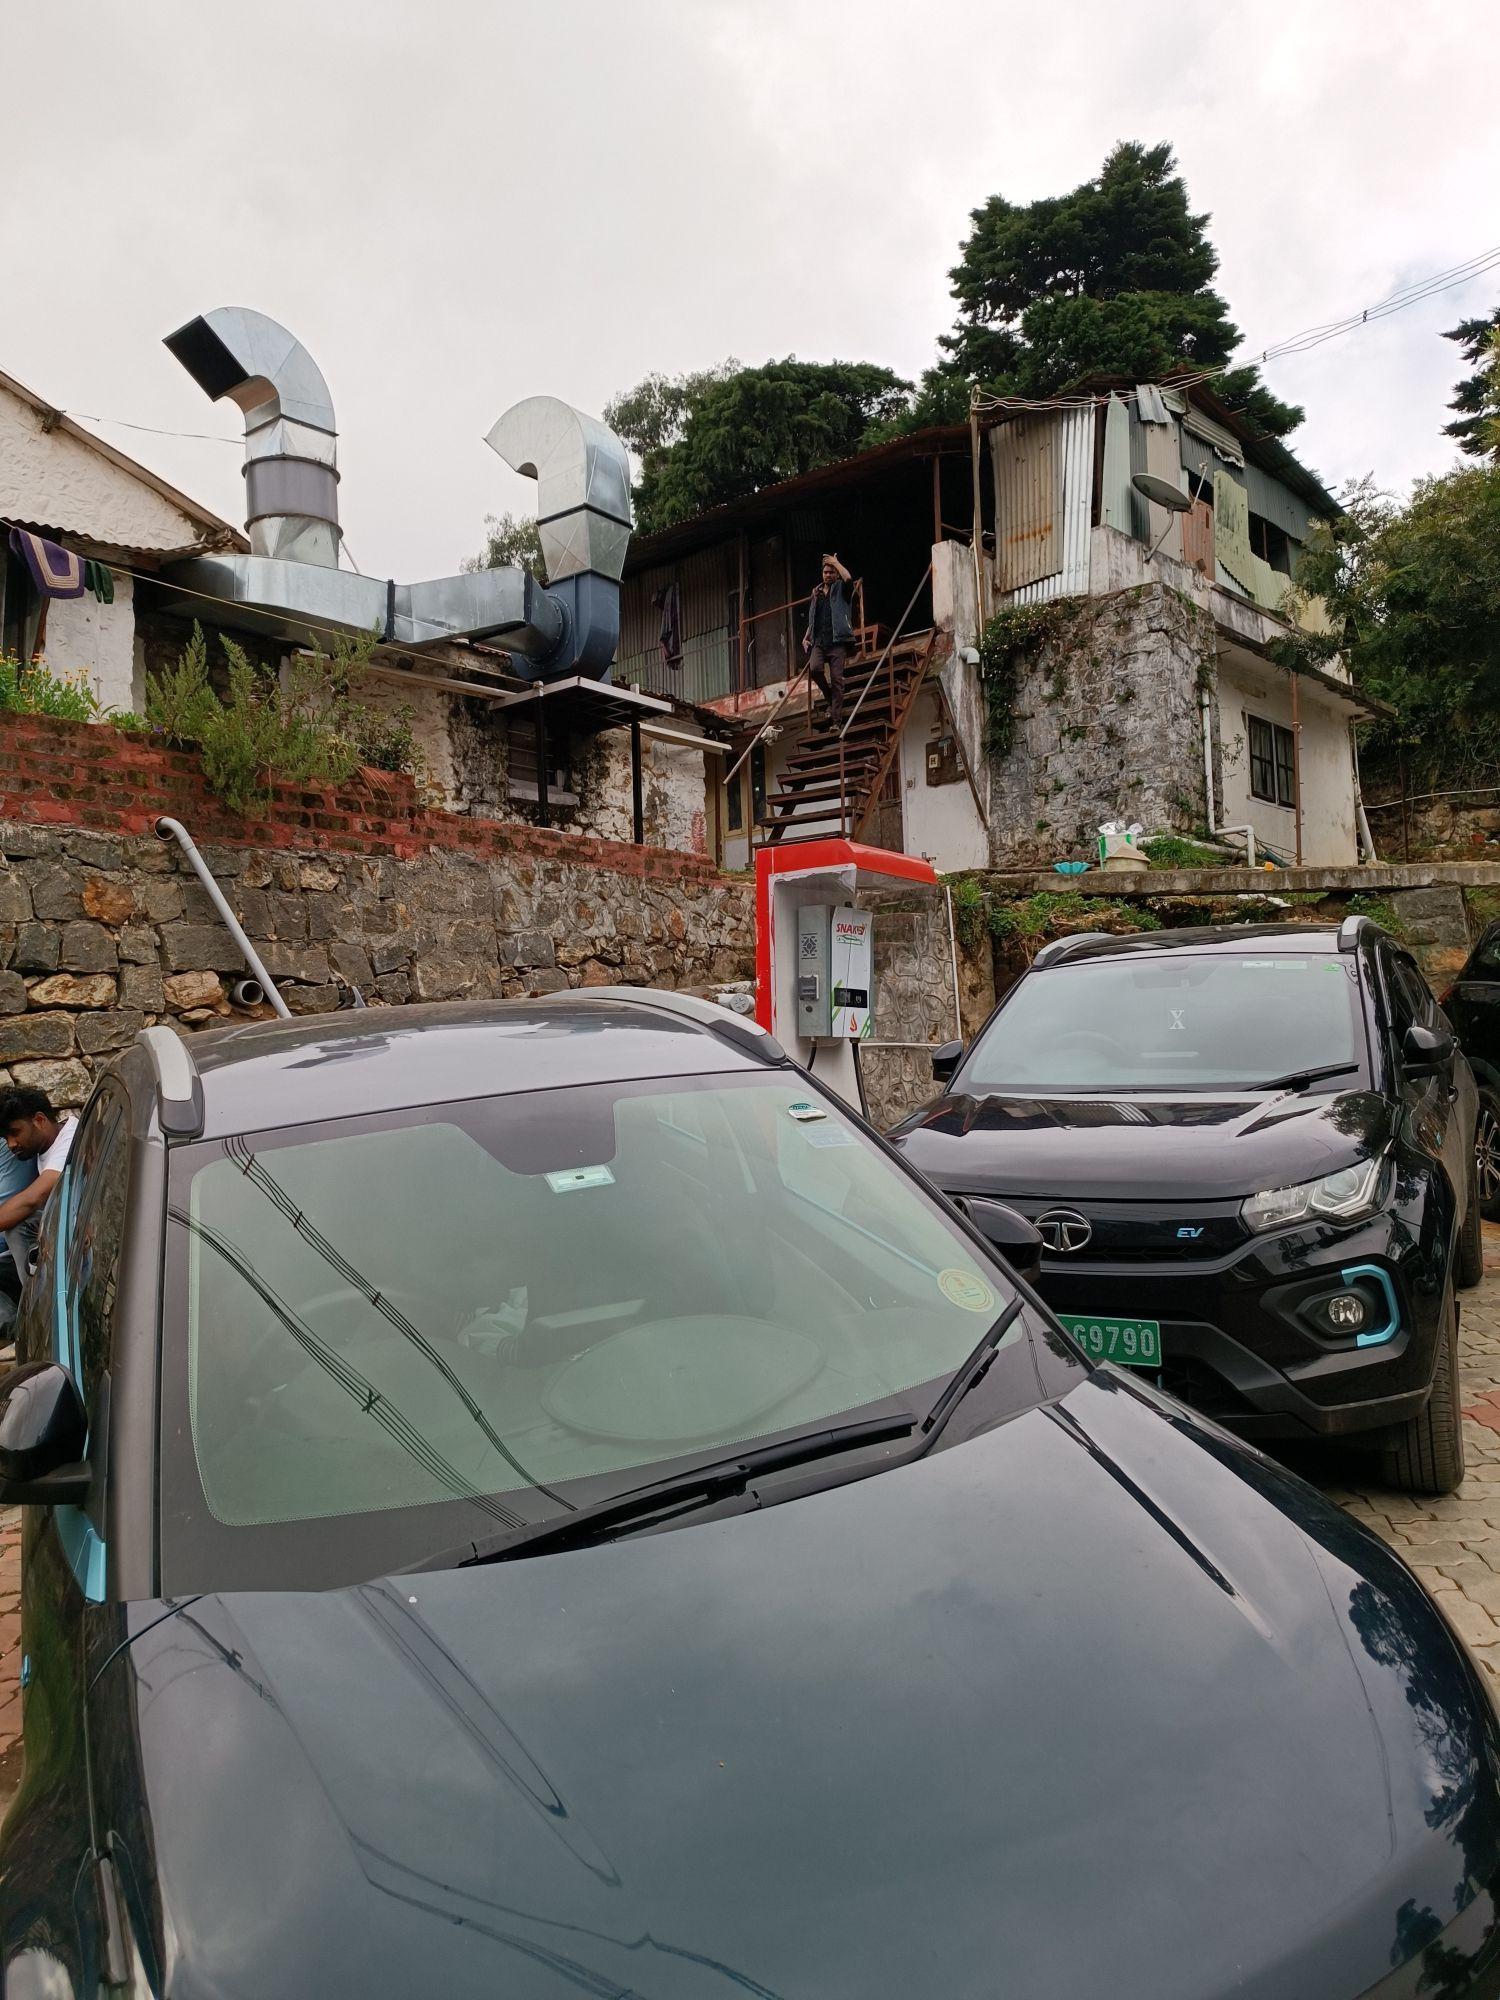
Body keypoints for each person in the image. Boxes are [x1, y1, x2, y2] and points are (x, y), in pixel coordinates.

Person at [0, 1089, 77, 1285]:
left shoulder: (69, 1142)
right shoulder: (47, 1145)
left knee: (17, 1229)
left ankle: (38, 1311)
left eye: (15, 1133)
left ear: (40, 1120)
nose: (11, 1144)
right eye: (6, 1137)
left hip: (81, 1242)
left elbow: (33, 1199)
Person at [803, 555, 857, 728]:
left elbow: (849, 578)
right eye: (825, 572)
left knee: (837, 680)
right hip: (819, 641)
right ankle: (830, 700)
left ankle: (836, 721)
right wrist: (806, 636)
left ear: (836, 574)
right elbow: (814, 618)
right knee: (814, 669)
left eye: (831, 572)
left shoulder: (842, 588)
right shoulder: (816, 593)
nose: (828, 575)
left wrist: (835, 563)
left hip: (837, 642)